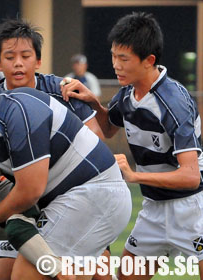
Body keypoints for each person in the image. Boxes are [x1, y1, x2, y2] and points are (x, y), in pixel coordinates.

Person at [0, 75, 132, 279]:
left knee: (27, 273)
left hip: (94, 193)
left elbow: (30, 191)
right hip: (74, 200)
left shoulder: (20, 113)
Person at [62, 12, 203, 280]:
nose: (116, 65)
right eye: (114, 56)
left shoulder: (174, 103)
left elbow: (191, 176)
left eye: (123, 58)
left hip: (192, 210)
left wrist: (134, 176)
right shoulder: (126, 94)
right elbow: (107, 127)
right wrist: (93, 102)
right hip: (153, 209)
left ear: (149, 60)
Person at [0, 18, 112, 280]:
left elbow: (96, 141)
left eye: (26, 55)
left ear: (38, 60)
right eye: (10, 57)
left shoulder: (63, 91)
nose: (19, 63)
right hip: (19, 204)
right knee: (6, 274)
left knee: (98, 275)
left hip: (72, 200)